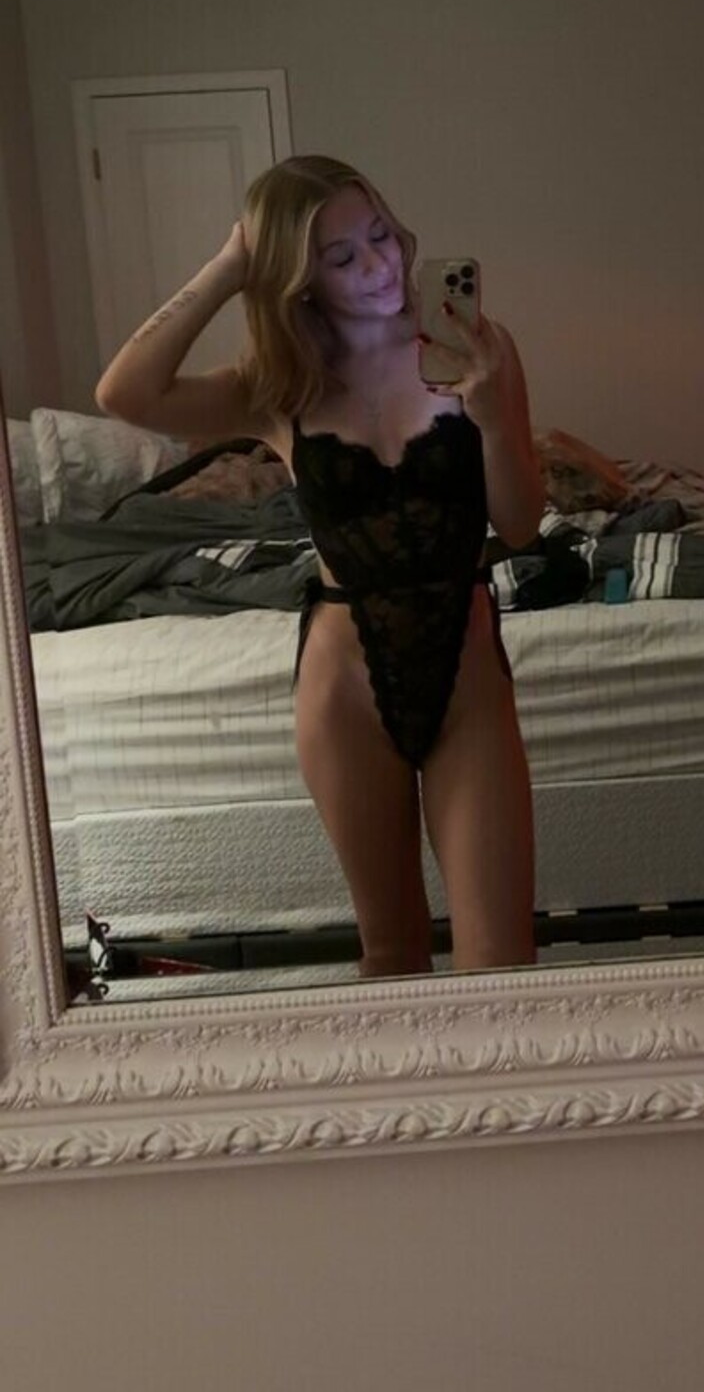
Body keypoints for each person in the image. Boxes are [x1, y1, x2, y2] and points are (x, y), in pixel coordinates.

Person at [96, 153, 544, 978]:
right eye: (341, 256)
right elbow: (124, 393)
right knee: (392, 957)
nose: (378, 265)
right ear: (298, 281)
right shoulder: (279, 386)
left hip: (468, 678)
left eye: (380, 235)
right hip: (344, 693)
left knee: (502, 963)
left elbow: (518, 524)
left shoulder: (478, 350)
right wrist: (229, 266)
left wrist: (488, 420)